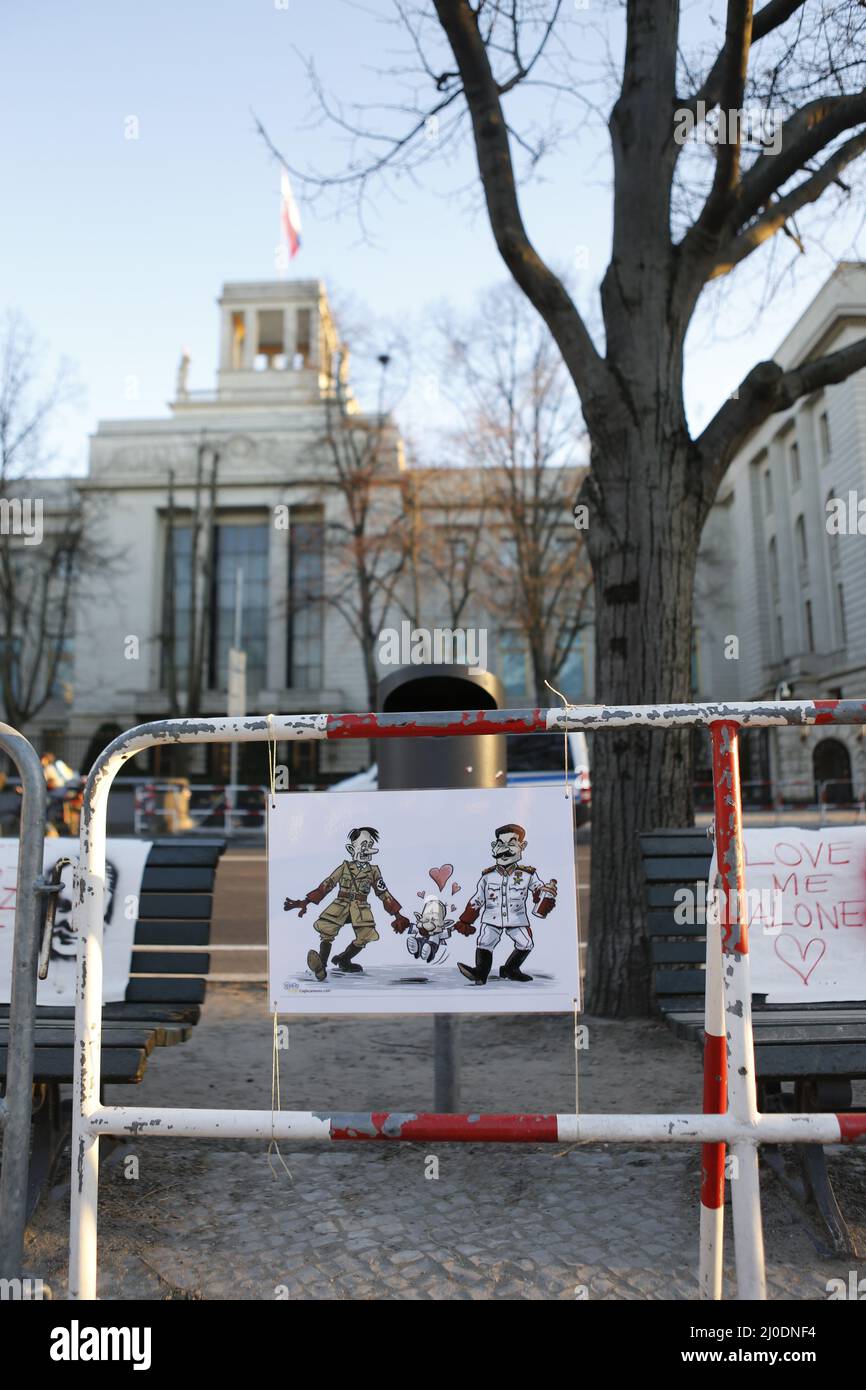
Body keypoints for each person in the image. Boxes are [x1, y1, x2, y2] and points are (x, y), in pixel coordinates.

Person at [283, 826, 410, 981]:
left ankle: (344, 959)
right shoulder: (344, 867)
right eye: (363, 845)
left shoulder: (373, 871)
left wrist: (397, 914)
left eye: (369, 845)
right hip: (340, 905)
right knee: (327, 929)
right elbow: (327, 884)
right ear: (351, 848)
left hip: (361, 909)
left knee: (366, 934)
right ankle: (321, 965)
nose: (367, 849)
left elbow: (383, 892)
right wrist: (306, 901)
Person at [455, 822, 558, 985]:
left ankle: (510, 969)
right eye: (501, 844)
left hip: (516, 919)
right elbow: (477, 899)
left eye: (511, 844)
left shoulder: (527, 874)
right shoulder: (487, 876)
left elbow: (538, 890)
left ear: (522, 846)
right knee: (484, 942)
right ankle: (480, 973)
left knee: (526, 943)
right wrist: (465, 920)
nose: (505, 849)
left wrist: (546, 893)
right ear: (495, 846)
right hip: (492, 918)